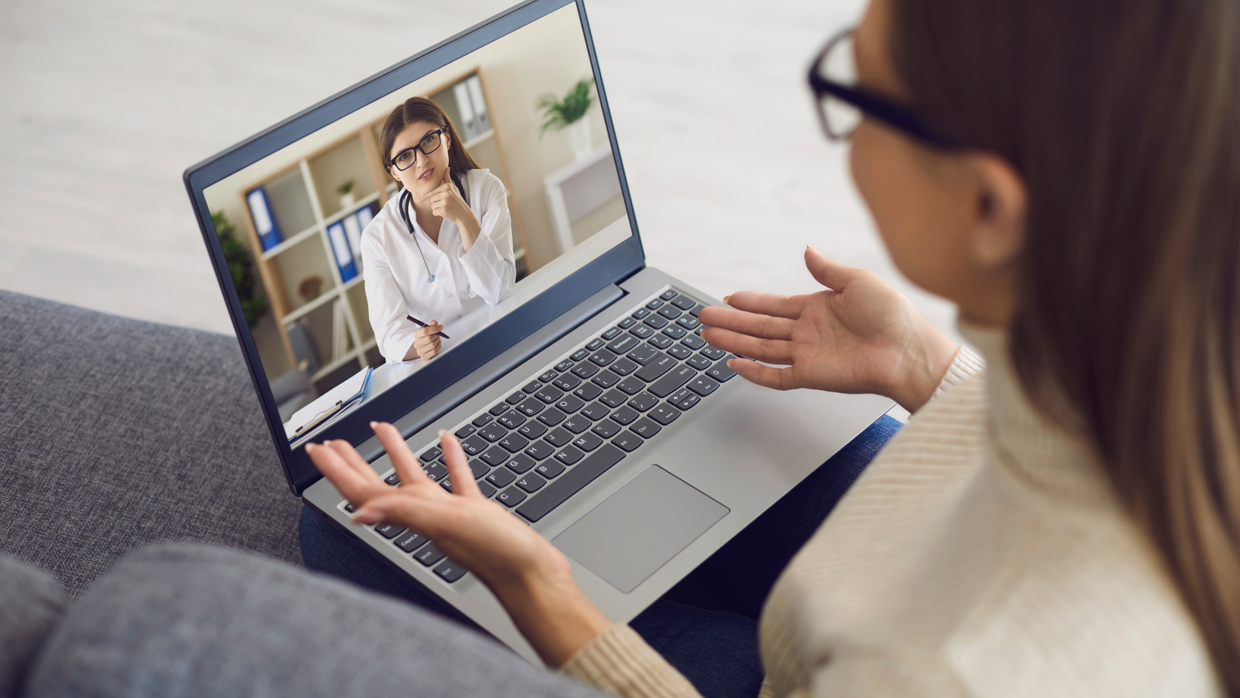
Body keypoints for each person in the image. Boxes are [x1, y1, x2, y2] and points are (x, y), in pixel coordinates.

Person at [304, 0, 1239, 695]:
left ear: (990, 208)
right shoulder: (1174, 356)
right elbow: (1072, 454)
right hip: (935, 557)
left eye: (857, 91)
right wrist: (929, 370)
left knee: (338, 529)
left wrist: (540, 586)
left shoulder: (932, 672)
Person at [361, 96, 516, 363]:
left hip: (500, 343)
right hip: (442, 364)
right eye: (405, 156)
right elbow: (389, 335)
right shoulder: (377, 238)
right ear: (394, 172)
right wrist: (416, 344)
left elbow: (499, 290)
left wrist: (465, 218)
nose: (421, 161)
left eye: (429, 141)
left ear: (446, 138)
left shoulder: (486, 189)